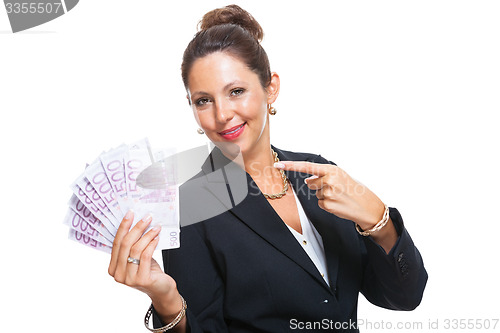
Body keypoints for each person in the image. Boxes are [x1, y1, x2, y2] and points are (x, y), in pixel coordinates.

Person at [108, 4, 427, 332]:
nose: (222, 115)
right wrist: (167, 302)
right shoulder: (192, 206)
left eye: (236, 91)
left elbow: (404, 297)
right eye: (203, 100)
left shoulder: (317, 173)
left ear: (270, 88)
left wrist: (379, 221)